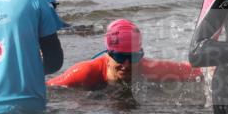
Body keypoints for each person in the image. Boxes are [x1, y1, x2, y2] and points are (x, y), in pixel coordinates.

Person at [48, 19, 201, 90]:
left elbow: (195, 70)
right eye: (120, 57)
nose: (126, 65)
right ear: (108, 55)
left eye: (133, 57)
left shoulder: (148, 68)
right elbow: (47, 89)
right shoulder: (85, 72)